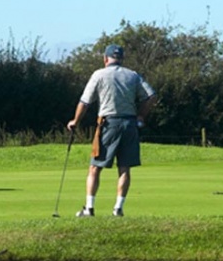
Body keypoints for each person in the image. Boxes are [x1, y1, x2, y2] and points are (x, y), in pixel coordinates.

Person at [67, 44, 158, 217]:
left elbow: (84, 102)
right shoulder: (133, 75)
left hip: (108, 124)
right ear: (121, 59)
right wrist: (141, 116)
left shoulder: (98, 74)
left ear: (105, 59)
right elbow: (151, 96)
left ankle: (89, 208)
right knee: (124, 168)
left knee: (95, 167)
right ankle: (118, 208)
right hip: (130, 124)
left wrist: (75, 121)